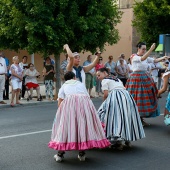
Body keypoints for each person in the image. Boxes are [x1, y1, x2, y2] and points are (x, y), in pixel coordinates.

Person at [48, 71, 110, 162]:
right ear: (74, 78)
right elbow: (87, 96)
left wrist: (61, 113)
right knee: (82, 128)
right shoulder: (81, 84)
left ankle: (60, 154)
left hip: (70, 108)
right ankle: (82, 154)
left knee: (66, 129)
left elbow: (60, 101)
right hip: (84, 106)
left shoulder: (64, 86)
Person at [96, 67, 145, 150]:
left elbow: (106, 94)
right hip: (126, 96)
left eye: (99, 75)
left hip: (115, 97)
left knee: (114, 118)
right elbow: (123, 88)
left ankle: (117, 142)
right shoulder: (116, 79)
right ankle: (127, 139)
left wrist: (104, 103)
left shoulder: (105, 80)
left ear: (104, 73)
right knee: (126, 117)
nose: (98, 77)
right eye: (97, 76)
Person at [125, 42, 169, 126]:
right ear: (138, 48)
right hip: (136, 79)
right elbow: (143, 58)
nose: (144, 51)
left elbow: (154, 60)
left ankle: (141, 118)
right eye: (143, 49)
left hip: (145, 77)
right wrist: (151, 49)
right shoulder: (134, 56)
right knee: (137, 98)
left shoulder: (145, 57)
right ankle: (138, 119)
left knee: (146, 97)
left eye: (145, 49)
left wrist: (163, 57)